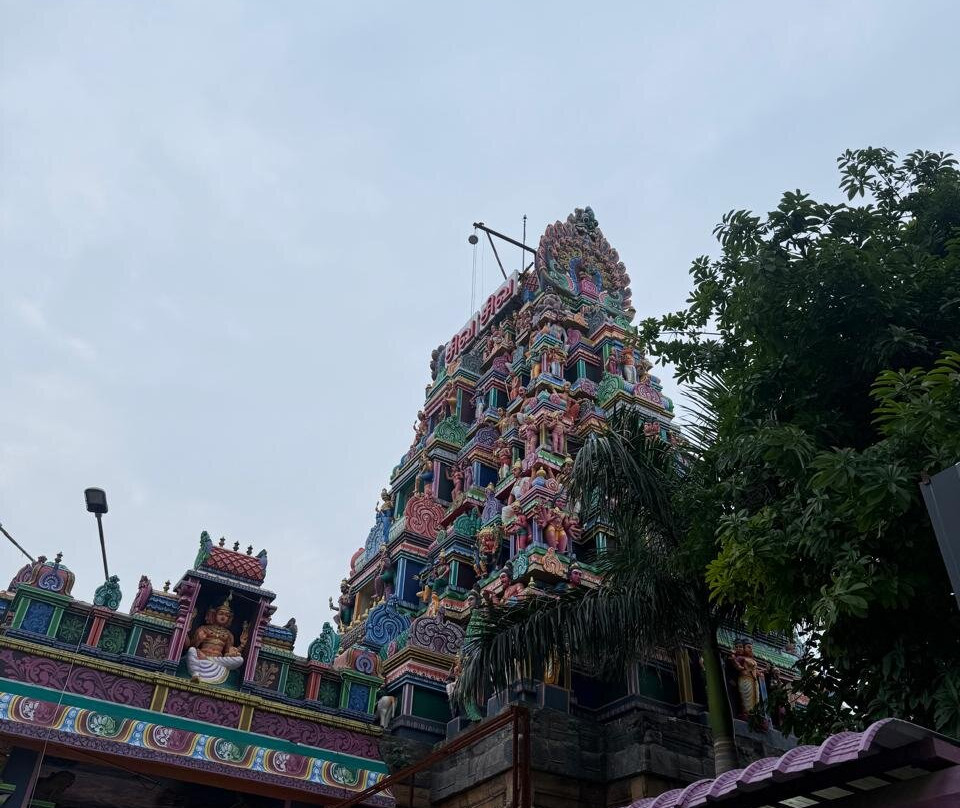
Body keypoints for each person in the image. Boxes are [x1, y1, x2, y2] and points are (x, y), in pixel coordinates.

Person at [185, 595, 248, 685]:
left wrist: (241, 646)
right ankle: (196, 674)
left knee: (240, 660)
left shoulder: (228, 635)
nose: (223, 617)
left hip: (217, 661)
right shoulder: (204, 628)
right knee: (191, 651)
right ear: (214, 615)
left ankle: (208, 660)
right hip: (201, 656)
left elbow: (227, 653)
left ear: (229, 618)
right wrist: (198, 640)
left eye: (226, 615)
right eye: (221, 614)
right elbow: (191, 646)